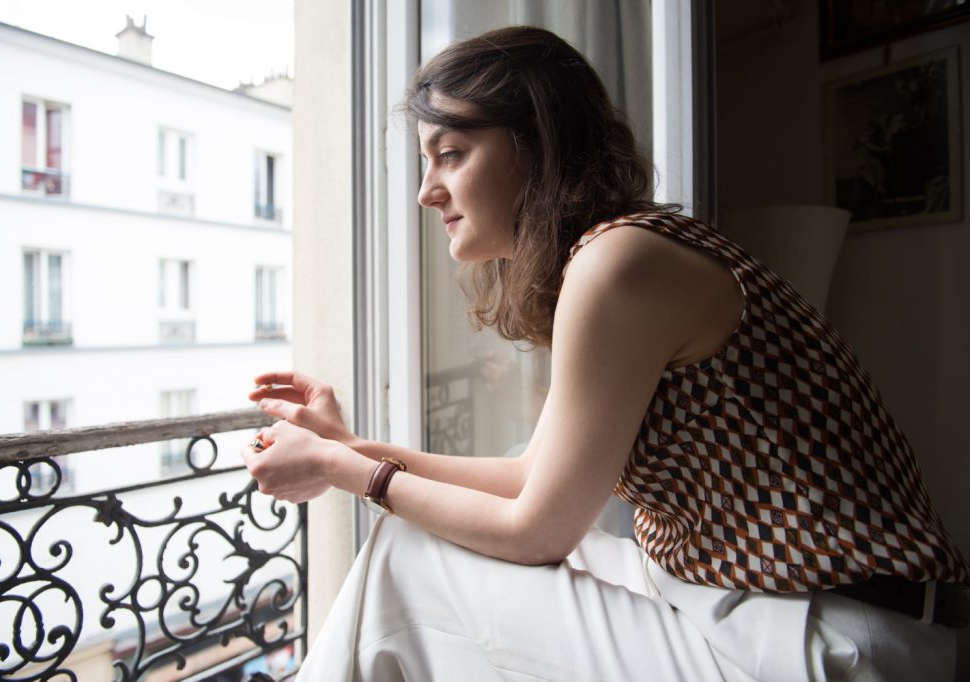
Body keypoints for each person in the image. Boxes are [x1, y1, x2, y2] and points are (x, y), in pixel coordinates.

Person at [241, 26, 968, 681]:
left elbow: (539, 531)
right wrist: (353, 447)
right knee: (414, 553)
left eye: (452, 155)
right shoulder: (627, 250)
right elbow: (532, 478)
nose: (427, 192)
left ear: (538, 144)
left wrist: (345, 469)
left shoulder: (618, 263)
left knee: (409, 557)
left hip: (832, 636)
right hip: (745, 599)